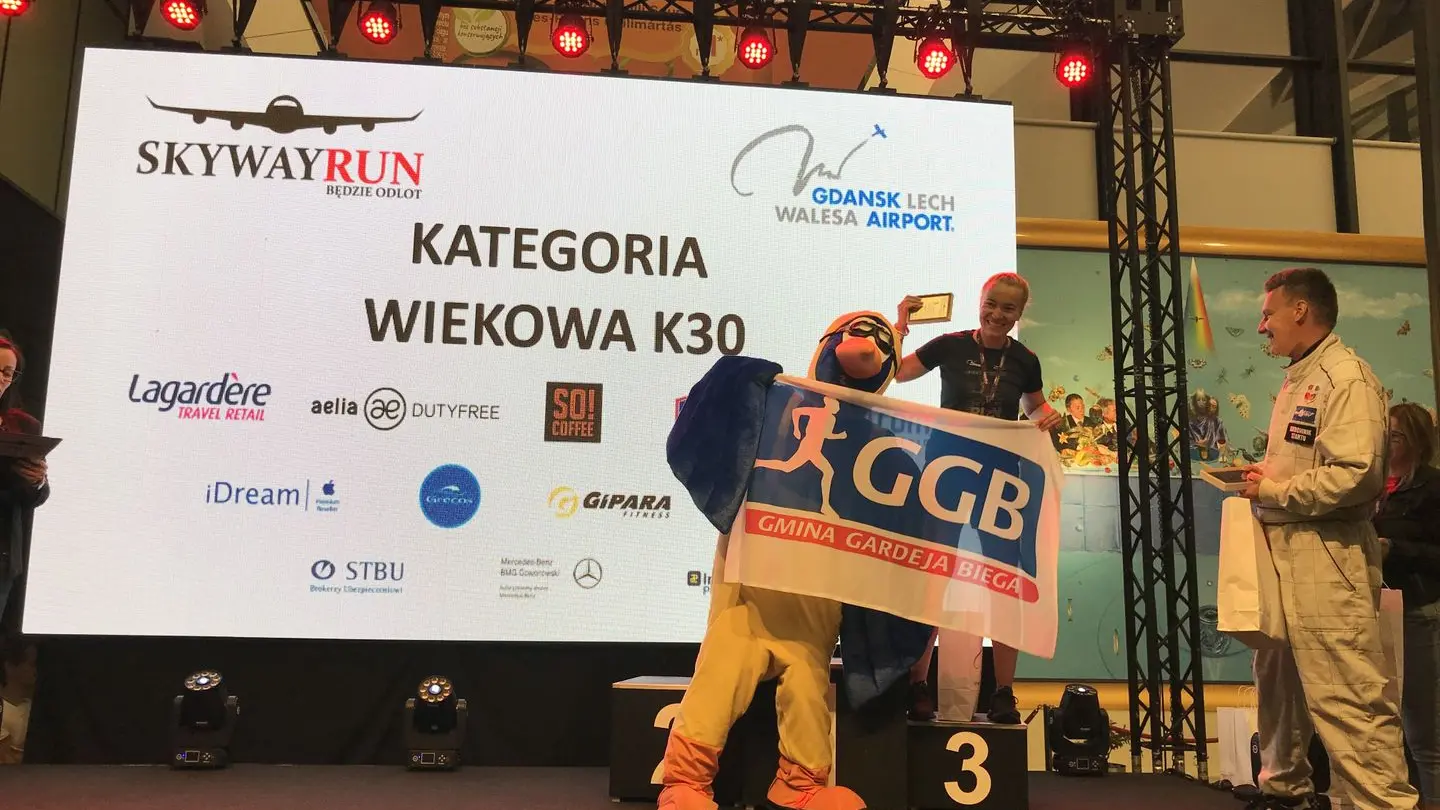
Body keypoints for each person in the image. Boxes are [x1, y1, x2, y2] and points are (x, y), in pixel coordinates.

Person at [1239, 267, 1418, 810]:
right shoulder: (1303, 376)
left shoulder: (1347, 378)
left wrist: (1275, 490)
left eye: (1268, 313)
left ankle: (1380, 804)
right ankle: (1284, 790)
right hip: (1288, 547)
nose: (1262, 325)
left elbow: (1357, 475)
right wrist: (1266, 477)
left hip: (1327, 553)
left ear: (1300, 310)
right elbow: (1314, 464)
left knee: (1349, 693)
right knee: (1278, 682)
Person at [894, 272, 1063, 723]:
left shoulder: (1025, 359)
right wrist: (900, 325)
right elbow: (898, 373)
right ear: (980, 301)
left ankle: (1003, 692)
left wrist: (1050, 416)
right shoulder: (949, 346)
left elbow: (1034, 407)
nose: (997, 314)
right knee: (933, 579)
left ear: (1020, 313)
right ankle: (917, 685)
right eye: (992, 304)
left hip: (1000, 483)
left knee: (1004, 583)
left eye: (1008, 308)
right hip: (944, 475)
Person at [1374, 402, 1440, 808]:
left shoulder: (1432, 488)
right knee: (1383, 725)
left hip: (1416, 611)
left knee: (1424, 730)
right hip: (1376, 612)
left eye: (1396, 436)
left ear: (1417, 441)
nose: (1387, 442)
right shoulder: (1373, 485)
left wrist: (1394, 548)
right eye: (1385, 434)